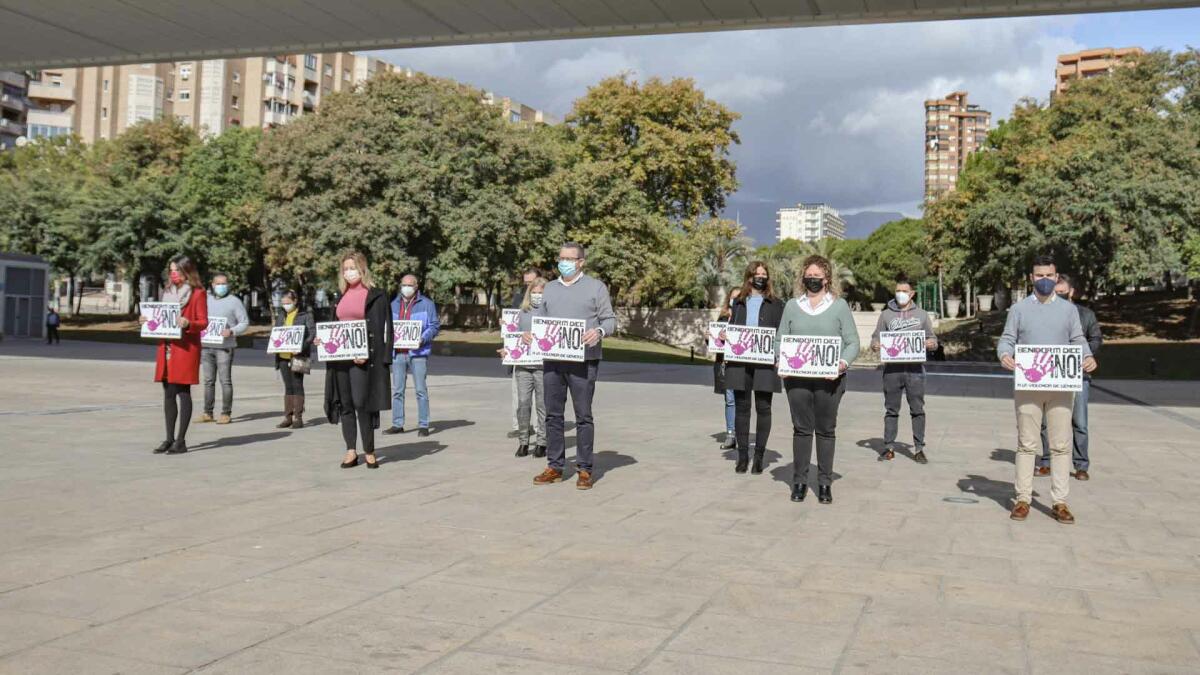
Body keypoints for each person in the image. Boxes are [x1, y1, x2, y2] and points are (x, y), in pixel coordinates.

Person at [998, 255, 1098, 524]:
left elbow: (1078, 339)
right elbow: (1007, 339)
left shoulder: (1068, 311)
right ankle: (1022, 499)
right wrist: (1005, 354)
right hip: (1028, 385)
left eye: (1049, 275)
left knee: (1061, 445)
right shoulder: (1019, 310)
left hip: (1060, 386)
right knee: (1027, 443)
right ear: (1032, 278)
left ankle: (1060, 501)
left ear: (1057, 277)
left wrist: (1087, 356)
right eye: (1039, 275)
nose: (1044, 280)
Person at [526, 243, 616, 490]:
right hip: (553, 360)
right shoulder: (551, 288)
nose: (563, 262)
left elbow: (610, 320)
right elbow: (540, 319)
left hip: (584, 361)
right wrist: (530, 334)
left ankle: (585, 469)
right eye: (561, 257)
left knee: (583, 416)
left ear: (581, 262)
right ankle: (554, 466)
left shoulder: (596, 287)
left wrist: (598, 331)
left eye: (569, 258)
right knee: (553, 414)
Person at [778, 255, 860, 504]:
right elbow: (780, 338)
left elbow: (853, 341)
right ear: (803, 278)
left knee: (826, 430)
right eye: (809, 276)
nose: (812, 280)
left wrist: (842, 364)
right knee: (801, 430)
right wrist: (779, 360)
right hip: (797, 380)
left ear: (827, 279)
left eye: (817, 277)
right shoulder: (792, 305)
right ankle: (800, 481)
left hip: (830, 380)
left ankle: (825, 483)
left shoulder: (839, 306)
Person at [321, 252, 393, 470]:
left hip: (363, 359)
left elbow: (384, 329)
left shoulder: (376, 296)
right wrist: (322, 340)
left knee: (362, 402)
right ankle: (351, 450)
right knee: (345, 404)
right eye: (345, 269)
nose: (348, 272)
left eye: (352, 267)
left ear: (362, 269)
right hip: (340, 359)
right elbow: (335, 326)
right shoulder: (339, 297)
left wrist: (372, 355)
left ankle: (369, 450)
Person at [1036, 273, 1101, 481]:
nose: (1060, 296)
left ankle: (1081, 464)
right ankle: (1047, 461)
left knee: (1079, 421)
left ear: (1071, 292)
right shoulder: (1043, 313)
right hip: (1049, 374)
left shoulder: (1086, 314)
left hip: (1078, 374)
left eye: (1063, 293)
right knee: (1046, 421)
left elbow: (1095, 337)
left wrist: (1087, 356)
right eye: (1057, 292)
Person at [722, 261, 784, 475]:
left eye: (763, 273)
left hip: (765, 362)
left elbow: (782, 332)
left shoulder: (777, 304)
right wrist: (724, 336)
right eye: (756, 273)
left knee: (764, 408)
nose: (760, 276)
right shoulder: (738, 302)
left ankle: (759, 456)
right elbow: (731, 328)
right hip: (741, 362)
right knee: (741, 408)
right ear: (749, 277)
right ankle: (742, 456)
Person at [869, 274, 938, 463]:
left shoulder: (922, 315)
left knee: (917, 409)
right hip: (892, 371)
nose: (901, 294)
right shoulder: (886, 314)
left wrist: (931, 343)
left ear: (912, 293)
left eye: (904, 291)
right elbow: (876, 337)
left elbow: (933, 339)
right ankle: (888, 447)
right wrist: (875, 344)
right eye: (898, 291)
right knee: (891, 410)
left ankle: (919, 448)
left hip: (915, 371)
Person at [143, 255, 208, 455]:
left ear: (187, 271)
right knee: (168, 393)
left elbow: (203, 321)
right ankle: (169, 438)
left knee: (182, 391)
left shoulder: (197, 293)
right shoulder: (167, 292)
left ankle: (181, 440)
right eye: (171, 269)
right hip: (167, 347)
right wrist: (147, 319)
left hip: (185, 349)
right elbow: (161, 316)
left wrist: (189, 323)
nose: (173, 273)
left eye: (177, 270)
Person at [383, 274, 440, 437]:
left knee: (421, 390)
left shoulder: (427, 304)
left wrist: (423, 338)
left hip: (418, 353)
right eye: (404, 285)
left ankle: (423, 425)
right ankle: (397, 424)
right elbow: (388, 327)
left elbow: (435, 326)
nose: (406, 288)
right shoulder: (393, 304)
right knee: (397, 390)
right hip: (398, 353)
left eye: (410, 285)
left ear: (416, 287)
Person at [499, 276, 547, 458]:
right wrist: (506, 349)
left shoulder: (550, 312)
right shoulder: (522, 312)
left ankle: (542, 442)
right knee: (523, 403)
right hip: (523, 366)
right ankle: (523, 441)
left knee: (543, 405)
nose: (536, 296)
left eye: (540, 293)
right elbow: (513, 336)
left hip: (543, 366)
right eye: (534, 292)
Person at [198, 273, 250, 425]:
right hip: (206, 347)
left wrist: (232, 331)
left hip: (225, 348)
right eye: (218, 283)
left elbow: (244, 322)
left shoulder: (234, 302)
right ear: (212, 285)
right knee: (208, 381)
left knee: (225, 381)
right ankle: (208, 412)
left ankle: (226, 413)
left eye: (224, 283)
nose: (221, 286)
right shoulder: (205, 300)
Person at [274, 289, 316, 429]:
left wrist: (301, 346)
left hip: (298, 356)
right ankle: (288, 416)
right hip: (283, 356)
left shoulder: (305, 315)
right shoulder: (281, 315)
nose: (285, 305)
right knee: (288, 386)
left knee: (297, 384)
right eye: (283, 303)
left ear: (295, 301)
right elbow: (276, 333)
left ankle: (298, 417)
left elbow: (311, 334)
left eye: (288, 302)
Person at [510, 267, 542, 436]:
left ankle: (539, 429)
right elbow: (514, 328)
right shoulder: (519, 299)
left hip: (542, 361)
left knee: (540, 399)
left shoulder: (548, 303)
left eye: (531, 282)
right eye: (526, 283)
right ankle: (520, 428)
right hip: (521, 358)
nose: (528, 286)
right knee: (520, 396)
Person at [713, 288, 741, 450]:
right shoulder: (723, 317)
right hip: (726, 364)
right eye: (733, 298)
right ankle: (731, 434)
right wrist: (709, 337)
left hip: (742, 365)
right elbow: (714, 342)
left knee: (742, 401)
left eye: (738, 297)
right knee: (730, 400)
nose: (735, 300)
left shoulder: (744, 317)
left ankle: (741, 433)